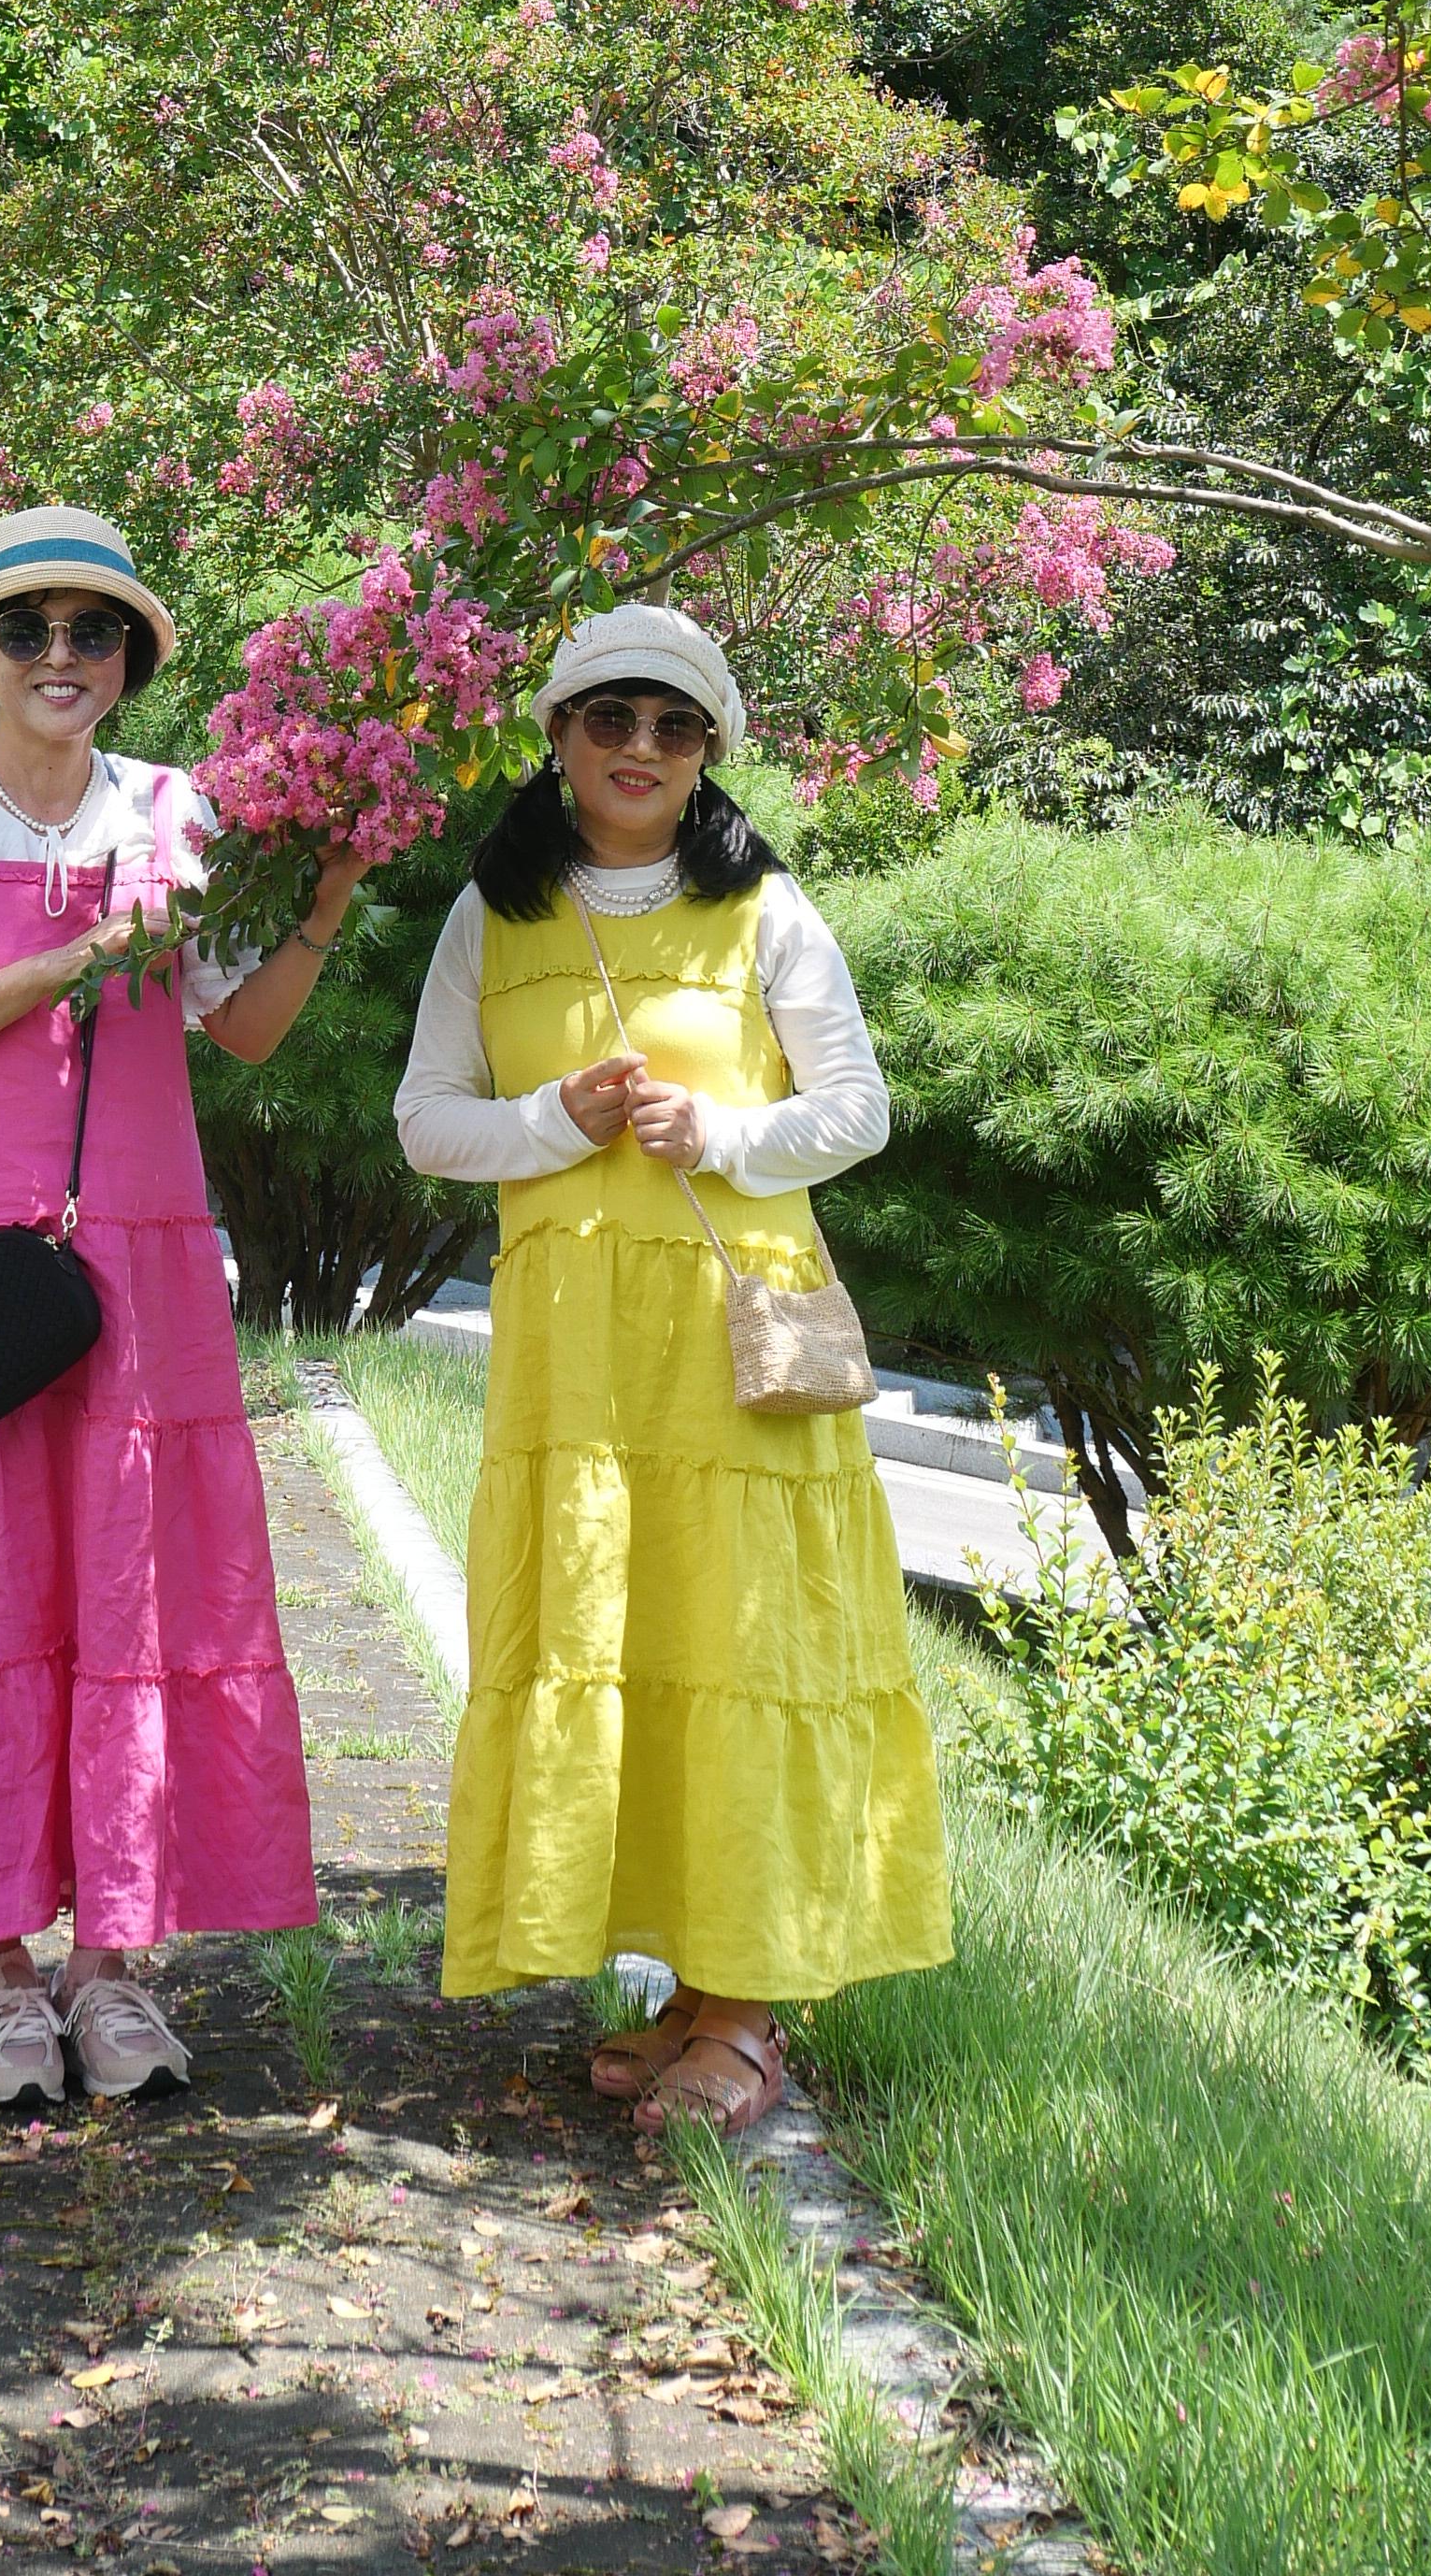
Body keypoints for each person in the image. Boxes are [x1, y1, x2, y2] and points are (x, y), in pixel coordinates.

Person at [0, 502, 362, 2111]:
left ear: (131, 658)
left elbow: (242, 1030)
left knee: (131, 1591)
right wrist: (66, 963)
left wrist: (326, 897)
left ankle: (114, 1962)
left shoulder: (177, 813)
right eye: (27, 630)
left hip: (136, 1260)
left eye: (93, 631)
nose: (60, 655)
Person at [391, 603, 949, 2132]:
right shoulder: (490, 915)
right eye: (611, 718)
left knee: (742, 1648)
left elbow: (857, 1109)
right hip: (575, 1364)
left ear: (709, 752)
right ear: (560, 736)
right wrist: (551, 1122)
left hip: (732, 1346)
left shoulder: (766, 906)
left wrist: (722, 1134)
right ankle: (682, 1991)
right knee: (621, 1641)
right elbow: (427, 1121)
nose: (640, 748)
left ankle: (747, 2007)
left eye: (675, 726)